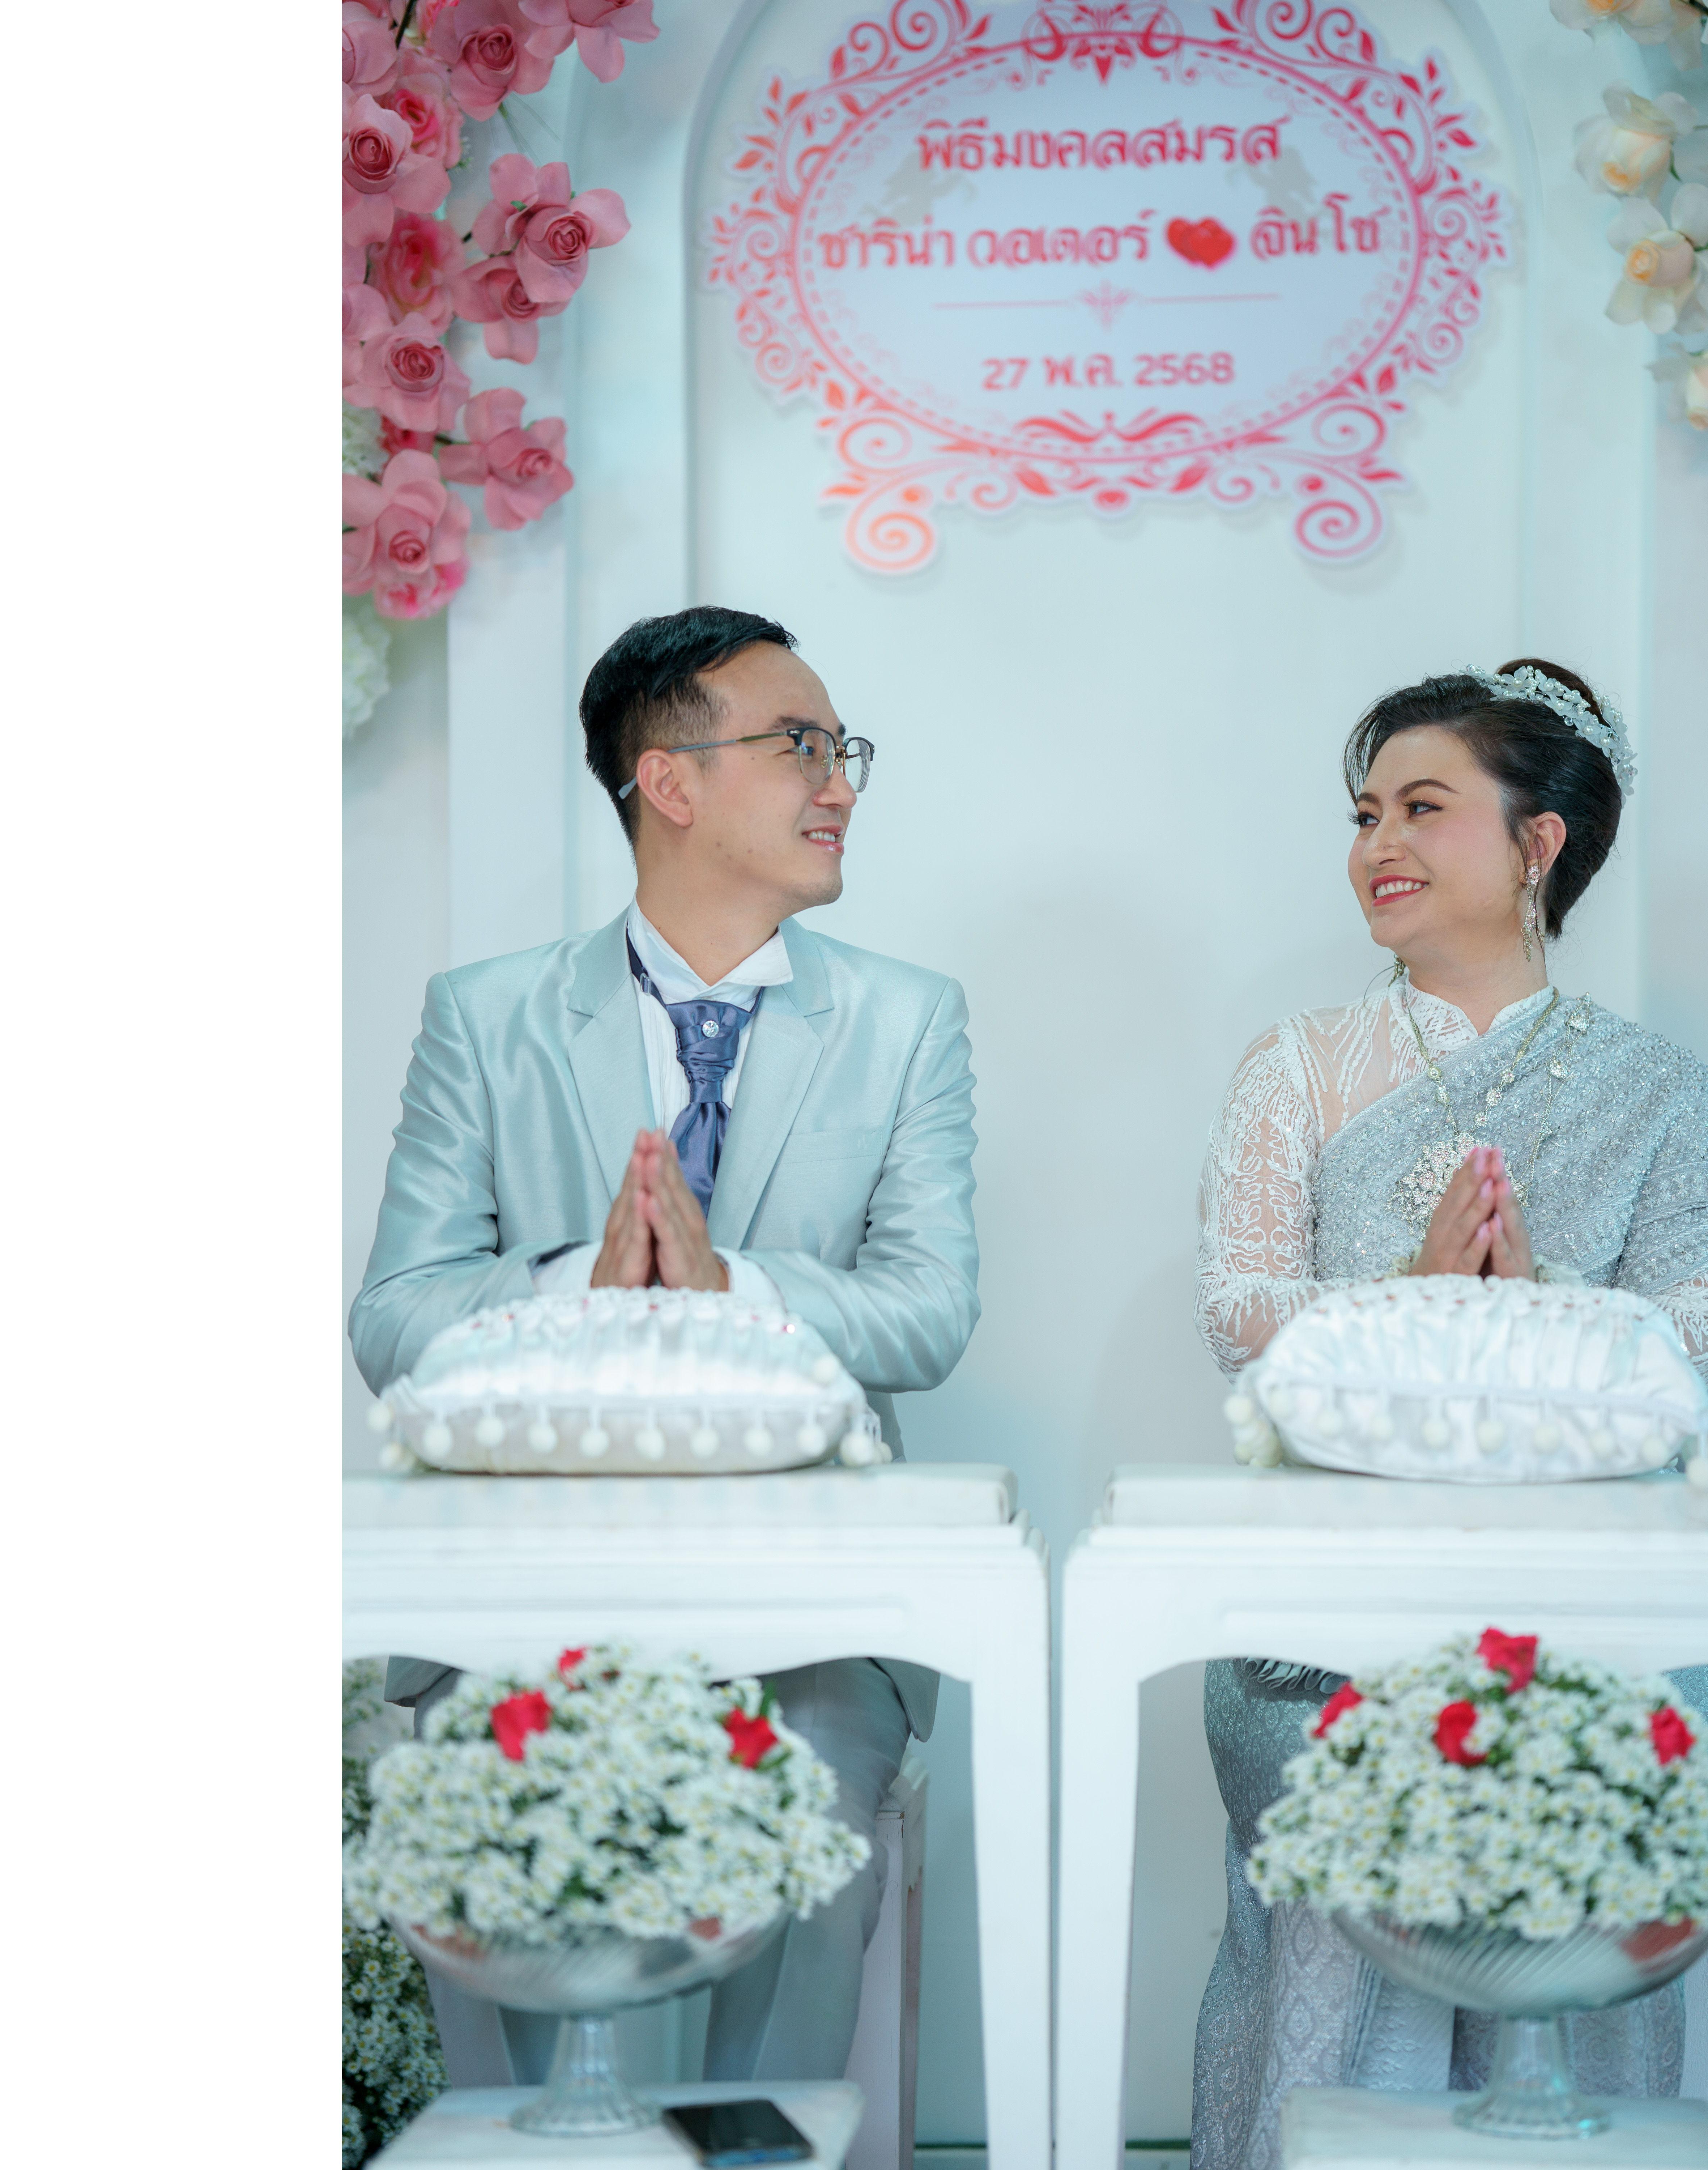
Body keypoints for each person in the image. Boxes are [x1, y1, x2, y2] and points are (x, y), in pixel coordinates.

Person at [351, 605, 980, 2086]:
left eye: (844, 752)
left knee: (793, 1948)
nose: (839, 783)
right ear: (670, 781)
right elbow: (394, 1317)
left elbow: (929, 1309)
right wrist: (581, 1276)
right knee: (502, 1976)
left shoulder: (906, 1022)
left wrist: (729, 1286)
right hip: (516, 1589)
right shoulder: (487, 1016)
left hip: (817, 1608)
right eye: (801, 746)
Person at [1189, 664, 1708, 2170]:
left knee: (1652, 1717)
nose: (1376, 842)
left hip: (1594, 1591)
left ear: (1539, 846)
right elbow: (1238, 1306)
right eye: (1366, 812)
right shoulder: (1301, 1068)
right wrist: (1407, 1294)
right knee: (1332, 1728)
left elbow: (1700, 1344)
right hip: (1339, 1588)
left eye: (1424, 808)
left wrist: (1541, 1313)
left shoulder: (1666, 1095)